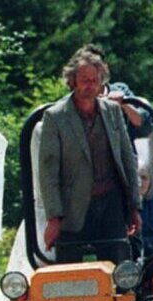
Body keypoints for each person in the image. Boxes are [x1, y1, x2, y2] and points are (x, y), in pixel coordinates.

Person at [39, 44, 141, 260]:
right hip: (73, 209)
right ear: (73, 81)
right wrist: (53, 218)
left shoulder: (113, 112)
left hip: (111, 204)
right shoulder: (55, 117)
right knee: (71, 275)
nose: (90, 86)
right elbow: (48, 172)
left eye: (95, 80)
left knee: (120, 270)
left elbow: (127, 159)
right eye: (84, 80)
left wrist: (134, 207)